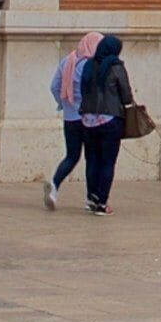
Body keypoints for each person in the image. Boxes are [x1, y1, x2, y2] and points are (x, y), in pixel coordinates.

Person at [70, 33, 133, 216]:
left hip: (88, 120)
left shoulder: (88, 65)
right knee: (107, 162)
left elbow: (83, 89)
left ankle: (91, 198)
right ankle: (102, 203)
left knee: (92, 160)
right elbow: (126, 95)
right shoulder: (116, 67)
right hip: (110, 120)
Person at [44, 29, 101, 211]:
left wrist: (65, 104)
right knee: (92, 157)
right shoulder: (92, 65)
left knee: (71, 156)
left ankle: (54, 185)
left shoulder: (67, 61)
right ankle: (91, 198)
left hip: (70, 118)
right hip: (89, 118)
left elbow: (54, 86)